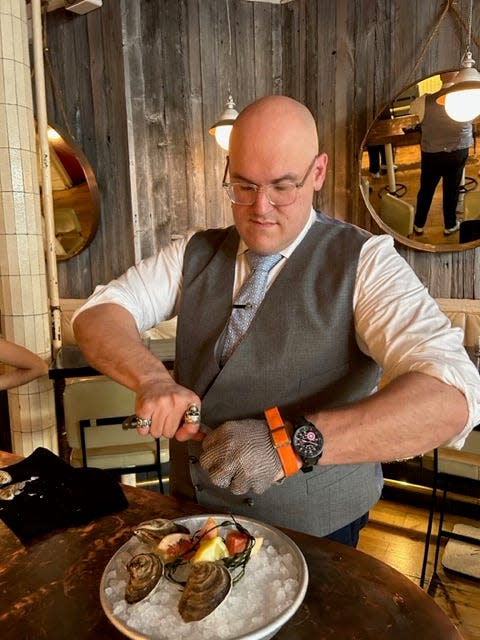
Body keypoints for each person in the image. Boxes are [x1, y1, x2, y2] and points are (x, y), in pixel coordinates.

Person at [73, 95, 480, 548]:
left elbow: (453, 393)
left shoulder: (366, 262)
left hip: (316, 533)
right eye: (244, 186)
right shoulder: (194, 252)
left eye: (283, 187)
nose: (260, 208)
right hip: (196, 514)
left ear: (318, 173)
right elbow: (99, 312)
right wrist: (152, 379)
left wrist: (286, 444)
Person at [410, 72, 473, 236]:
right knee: (452, 189)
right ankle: (450, 224)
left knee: (426, 189)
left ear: (439, 77)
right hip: (458, 150)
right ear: (458, 75)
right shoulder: (469, 97)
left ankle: (419, 224)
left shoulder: (424, 100)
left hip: (432, 153)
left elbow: (412, 112)